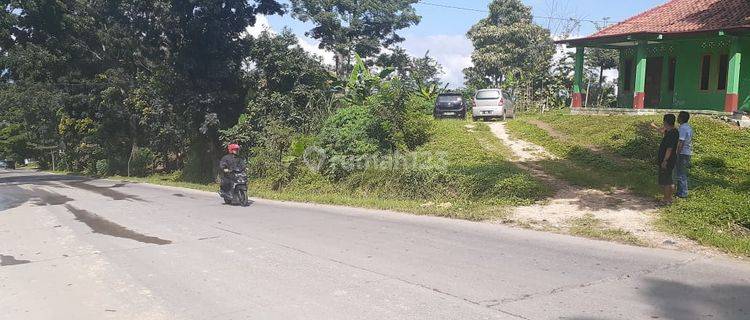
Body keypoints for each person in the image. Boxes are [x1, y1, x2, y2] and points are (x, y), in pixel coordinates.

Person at [656, 114, 679, 205]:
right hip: (672, 159)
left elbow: (669, 149)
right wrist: (654, 126)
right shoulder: (674, 131)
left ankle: (666, 199)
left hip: (668, 160)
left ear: (665, 122)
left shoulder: (670, 134)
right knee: (669, 179)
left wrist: (665, 160)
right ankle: (670, 198)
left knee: (666, 181)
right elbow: (662, 130)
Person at [675, 111, 693, 198]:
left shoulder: (682, 128)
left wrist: (677, 153)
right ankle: (680, 192)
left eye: (678, 117)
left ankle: (682, 193)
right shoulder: (688, 127)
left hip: (682, 153)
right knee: (682, 172)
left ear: (681, 118)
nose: (677, 118)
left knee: (680, 173)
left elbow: (681, 142)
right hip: (688, 152)